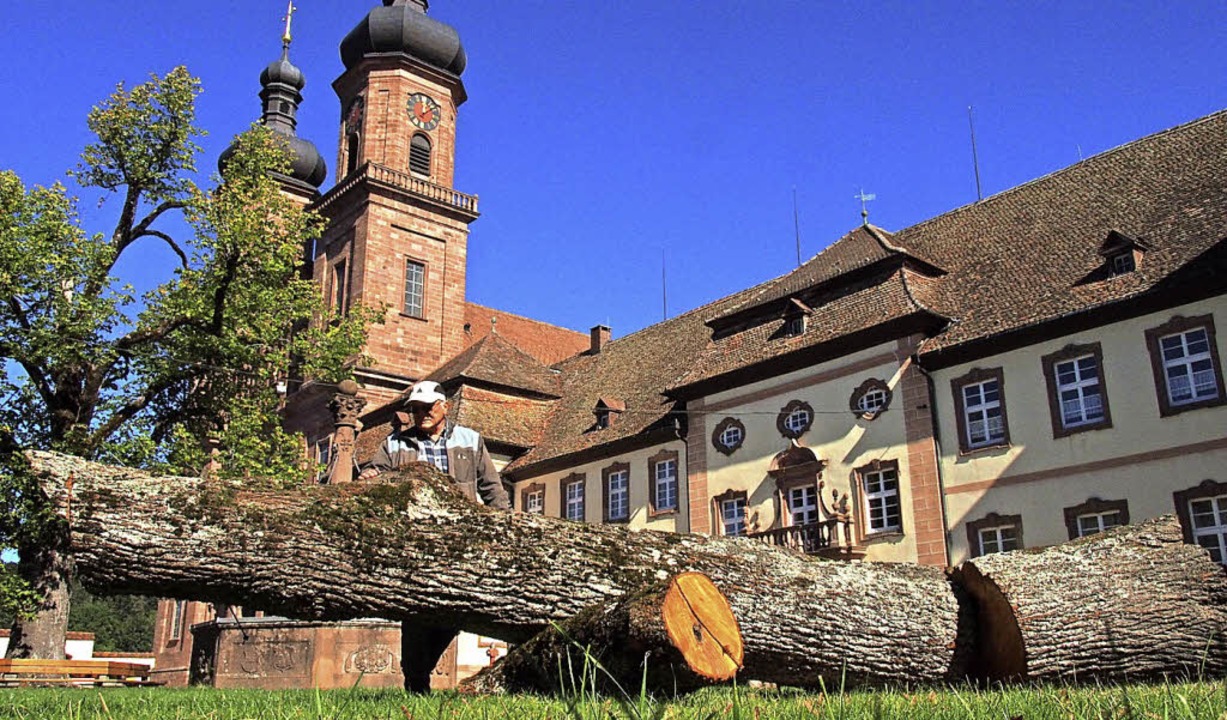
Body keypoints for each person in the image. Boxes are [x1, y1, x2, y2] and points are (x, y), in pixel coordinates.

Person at [359, 380, 510, 692]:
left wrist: (503, 526)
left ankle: (419, 671)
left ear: (445, 406)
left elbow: (491, 487)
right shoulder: (395, 444)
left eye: (427, 407)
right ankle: (416, 680)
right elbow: (374, 474)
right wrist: (370, 476)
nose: (421, 414)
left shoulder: (470, 440)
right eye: (415, 409)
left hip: (460, 539)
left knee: (457, 608)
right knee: (415, 613)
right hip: (416, 541)